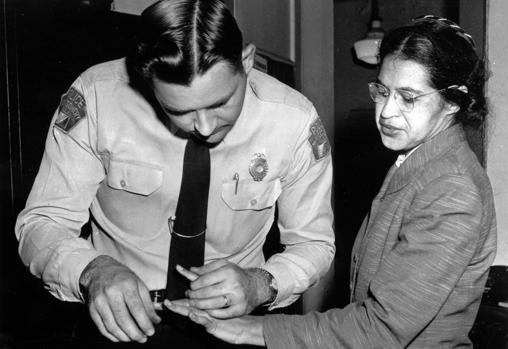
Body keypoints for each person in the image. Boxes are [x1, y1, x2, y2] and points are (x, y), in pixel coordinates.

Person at [14, 0, 335, 347]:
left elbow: (314, 243)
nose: (205, 127)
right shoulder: (95, 98)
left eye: (220, 103)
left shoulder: (294, 121)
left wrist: (260, 284)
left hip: (236, 325)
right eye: (178, 110)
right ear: (145, 80)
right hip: (118, 322)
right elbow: (42, 223)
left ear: (246, 61)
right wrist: (92, 272)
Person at [167, 15, 497, 348]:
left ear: (453, 100)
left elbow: (380, 330)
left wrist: (252, 330)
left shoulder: (452, 189)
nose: (386, 112)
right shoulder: (421, 163)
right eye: (382, 92)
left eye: (408, 98)